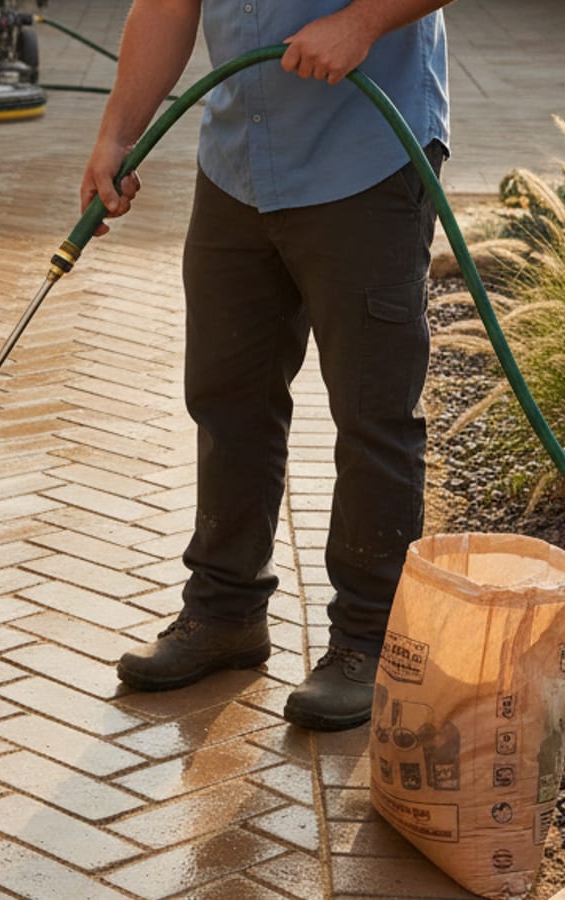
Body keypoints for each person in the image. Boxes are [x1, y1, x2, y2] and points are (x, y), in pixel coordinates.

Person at [85, 0, 453, 731]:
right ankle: (224, 610)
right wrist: (117, 134)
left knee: (371, 411)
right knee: (227, 396)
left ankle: (368, 640)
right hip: (238, 164)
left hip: (367, 158)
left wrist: (364, 22)